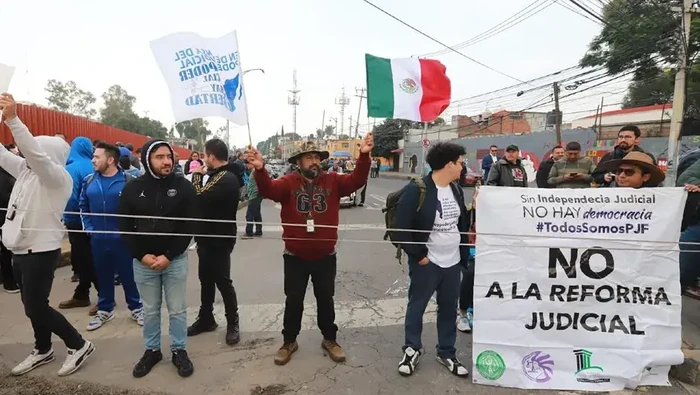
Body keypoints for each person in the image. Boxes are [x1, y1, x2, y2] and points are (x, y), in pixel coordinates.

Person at [248, 135, 373, 366]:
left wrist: (364, 155)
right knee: (293, 300)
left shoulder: (333, 181)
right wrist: (260, 170)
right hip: (295, 256)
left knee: (326, 299)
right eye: (309, 157)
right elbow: (269, 190)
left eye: (317, 157)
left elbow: (357, 180)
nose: (314, 161)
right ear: (299, 162)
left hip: (325, 256)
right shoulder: (288, 182)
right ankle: (289, 341)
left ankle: (330, 339)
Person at [0, 93, 95, 376]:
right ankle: (43, 349)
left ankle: (78, 345)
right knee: (32, 306)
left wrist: (14, 120)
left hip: (39, 252)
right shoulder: (26, 172)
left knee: (36, 307)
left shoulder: (56, 178)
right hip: (19, 249)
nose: (23, 155)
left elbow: (36, 156)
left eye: (31, 151)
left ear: (47, 155)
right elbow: (4, 155)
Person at [119, 139, 197, 378]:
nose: (166, 161)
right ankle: (152, 350)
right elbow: (125, 226)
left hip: (174, 260)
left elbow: (189, 226)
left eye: (169, 157)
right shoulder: (132, 188)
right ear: (147, 160)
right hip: (144, 263)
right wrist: (141, 255)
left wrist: (169, 255)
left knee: (176, 310)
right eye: (159, 157)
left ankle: (179, 350)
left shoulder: (184, 187)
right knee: (151, 310)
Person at [394, 142, 471, 378]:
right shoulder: (417, 189)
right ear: (448, 164)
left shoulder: (456, 189)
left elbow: (460, 222)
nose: (462, 167)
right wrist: (420, 256)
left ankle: (446, 352)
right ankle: (411, 349)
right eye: (460, 162)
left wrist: (473, 208)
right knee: (417, 306)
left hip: (452, 261)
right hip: (428, 262)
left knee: (448, 308)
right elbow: (400, 228)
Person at [82, 142, 143, 331]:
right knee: (103, 275)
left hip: (123, 241)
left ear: (110, 160)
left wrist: (132, 232)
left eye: (97, 156)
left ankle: (136, 307)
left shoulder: (129, 180)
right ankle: (105, 309)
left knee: (128, 275)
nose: (93, 160)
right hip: (98, 240)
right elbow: (83, 206)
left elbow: (138, 210)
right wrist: (90, 228)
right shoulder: (90, 180)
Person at [187, 139, 241, 346]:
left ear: (211, 156)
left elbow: (198, 196)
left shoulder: (227, 178)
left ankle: (233, 323)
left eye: (204, 155)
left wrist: (197, 176)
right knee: (206, 280)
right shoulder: (216, 176)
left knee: (223, 282)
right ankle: (206, 319)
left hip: (219, 239)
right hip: (205, 238)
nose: (203, 160)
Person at [59, 137, 99, 312]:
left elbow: (70, 198)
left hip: (77, 221)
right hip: (95, 220)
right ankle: (82, 293)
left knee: (85, 259)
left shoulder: (70, 168)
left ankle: (104, 296)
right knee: (89, 257)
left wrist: (68, 218)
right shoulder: (94, 165)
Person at [592, 125, 657, 187]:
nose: (623, 140)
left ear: (637, 139)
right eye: (621, 137)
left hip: (639, 195)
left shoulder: (646, 157)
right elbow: (595, 176)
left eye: (627, 137)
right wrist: (604, 177)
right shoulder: (609, 156)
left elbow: (655, 179)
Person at [598, 151, 665, 189]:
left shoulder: (657, 202)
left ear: (645, 177)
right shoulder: (603, 196)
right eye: (619, 171)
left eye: (629, 172)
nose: (621, 175)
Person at [0, 165, 17, 293]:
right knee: (6, 250)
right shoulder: (6, 175)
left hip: (5, 217)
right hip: (5, 218)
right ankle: (9, 282)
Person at [243, 162, 263, 238]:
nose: (247, 166)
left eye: (248, 164)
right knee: (257, 213)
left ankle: (249, 231)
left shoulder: (255, 172)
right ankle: (258, 231)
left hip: (255, 195)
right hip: (255, 194)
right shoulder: (253, 171)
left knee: (250, 214)